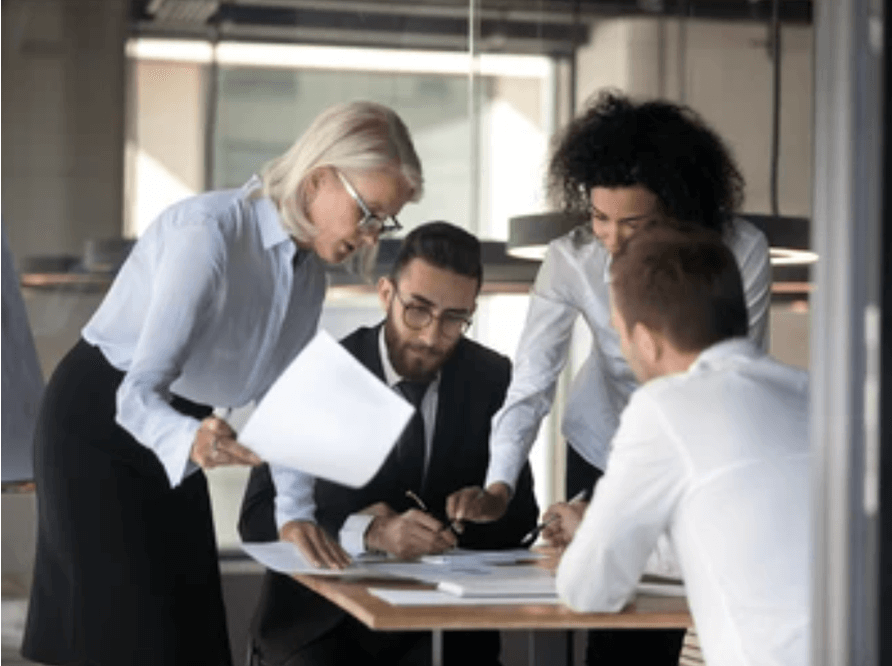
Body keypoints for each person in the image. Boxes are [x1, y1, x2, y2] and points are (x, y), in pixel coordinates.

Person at [22, 100, 423, 666]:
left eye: (386, 220)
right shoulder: (207, 234)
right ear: (319, 181)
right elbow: (136, 395)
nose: (372, 236)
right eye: (369, 213)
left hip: (181, 428)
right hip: (99, 423)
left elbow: (285, 406)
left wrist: (295, 513)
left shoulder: (305, 278)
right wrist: (192, 438)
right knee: (123, 638)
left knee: (191, 633)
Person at [446, 90, 772, 664]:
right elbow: (531, 381)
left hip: (694, 442)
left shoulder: (740, 251)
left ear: (677, 211)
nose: (613, 240)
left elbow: (731, 379)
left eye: (635, 223)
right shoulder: (570, 259)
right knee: (611, 619)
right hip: (605, 449)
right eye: (600, 218)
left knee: (682, 600)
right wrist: (500, 484)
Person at [238, 221, 539, 666]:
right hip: (324, 627)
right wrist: (369, 533)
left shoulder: (492, 378)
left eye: (455, 318)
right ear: (385, 294)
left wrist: (486, 508)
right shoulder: (318, 373)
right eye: (417, 310)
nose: (432, 336)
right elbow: (259, 517)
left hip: (443, 626)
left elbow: (520, 517)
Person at [546, 223, 810, 666]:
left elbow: (588, 589)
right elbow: (736, 536)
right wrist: (596, 527)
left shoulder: (665, 406)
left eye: (619, 332)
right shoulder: (808, 391)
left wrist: (595, 535)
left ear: (646, 342)